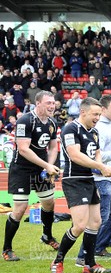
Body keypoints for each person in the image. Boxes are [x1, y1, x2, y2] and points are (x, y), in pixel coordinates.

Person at [51, 98, 111, 273]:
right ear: (83, 112)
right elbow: (74, 154)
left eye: (99, 114)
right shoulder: (71, 128)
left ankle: (89, 263)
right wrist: (101, 167)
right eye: (95, 114)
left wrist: (102, 166)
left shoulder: (94, 132)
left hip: (89, 180)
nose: (97, 118)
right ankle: (58, 261)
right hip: (74, 180)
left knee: (95, 222)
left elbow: (97, 153)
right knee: (79, 225)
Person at [3, 91, 60, 261]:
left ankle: (47, 236)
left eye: (53, 103)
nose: (52, 106)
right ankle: (7, 248)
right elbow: (23, 149)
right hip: (22, 169)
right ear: (38, 104)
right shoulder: (25, 120)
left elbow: (53, 147)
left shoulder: (52, 122)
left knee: (49, 202)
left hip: (41, 169)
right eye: (48, 103)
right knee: (20, 208)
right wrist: (47, 165)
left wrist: (49, 167)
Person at [75, 95, 111, 266]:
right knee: (100, 218)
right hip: (101, 178)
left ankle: (99, 246)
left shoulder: (109, 127)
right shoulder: (99, 129)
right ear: (103, 110)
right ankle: (83, 253)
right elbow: (98, 155)